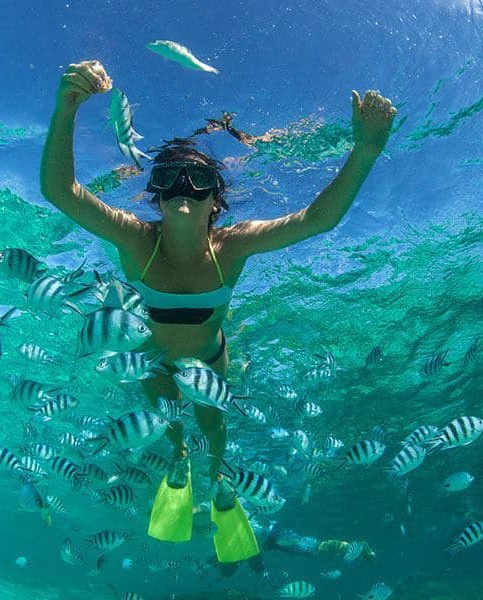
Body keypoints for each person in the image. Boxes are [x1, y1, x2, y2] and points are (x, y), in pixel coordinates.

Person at [40, 59, 396, 564]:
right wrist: (67, 108)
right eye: (170, 177)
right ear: (156, 195)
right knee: (173, 435)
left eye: (199, 179)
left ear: (216, 200)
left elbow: (319, 219)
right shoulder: (134, 238)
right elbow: (60, 191)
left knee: (214, 432)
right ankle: (179, 466)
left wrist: (365, 150)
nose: (184, 188)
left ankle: (221, 480)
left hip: (212, 362)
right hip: (154, 364)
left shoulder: (232, 247)